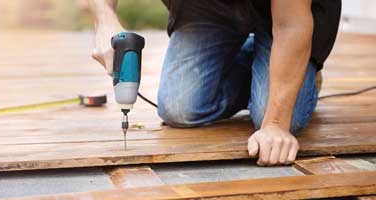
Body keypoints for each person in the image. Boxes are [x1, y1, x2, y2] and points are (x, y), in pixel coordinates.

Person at [88, 0, 341, 166]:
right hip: (206, 5)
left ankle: (299, 68)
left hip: (289, 12)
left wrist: (275, 124)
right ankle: (267, 63)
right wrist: (104, 18)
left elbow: (290, 24)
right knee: (179, 107)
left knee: (280, 117)